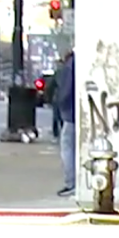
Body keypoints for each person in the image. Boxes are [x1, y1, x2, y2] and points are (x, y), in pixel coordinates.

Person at [55, 50, 75, 197]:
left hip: (70, 113)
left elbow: (65, 90)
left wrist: (61, 105)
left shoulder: (71, 65)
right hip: (77, 111)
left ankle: (71, 182)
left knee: (67, 146)